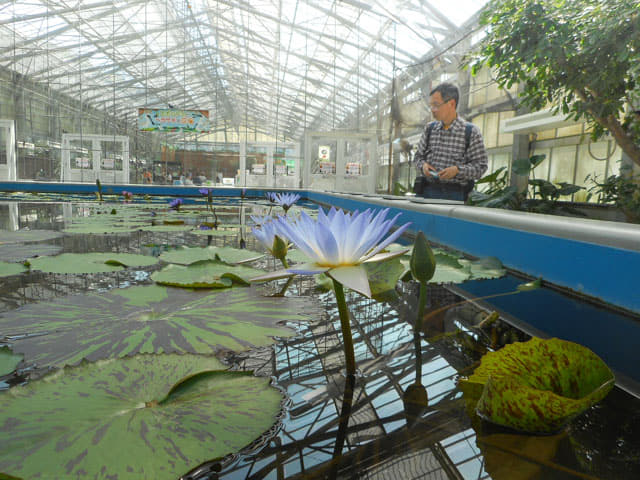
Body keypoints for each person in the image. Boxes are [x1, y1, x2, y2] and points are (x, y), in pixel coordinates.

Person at [414, 83, 488, 201]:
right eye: (431, 106)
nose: (432, 110)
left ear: (451, 103)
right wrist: (423, 166)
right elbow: (418, 157)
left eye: (436, 105)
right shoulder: (429, 129)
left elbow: (481, 167)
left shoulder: (470, 132)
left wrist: (457, 171)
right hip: (426, 191)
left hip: (455, 195)